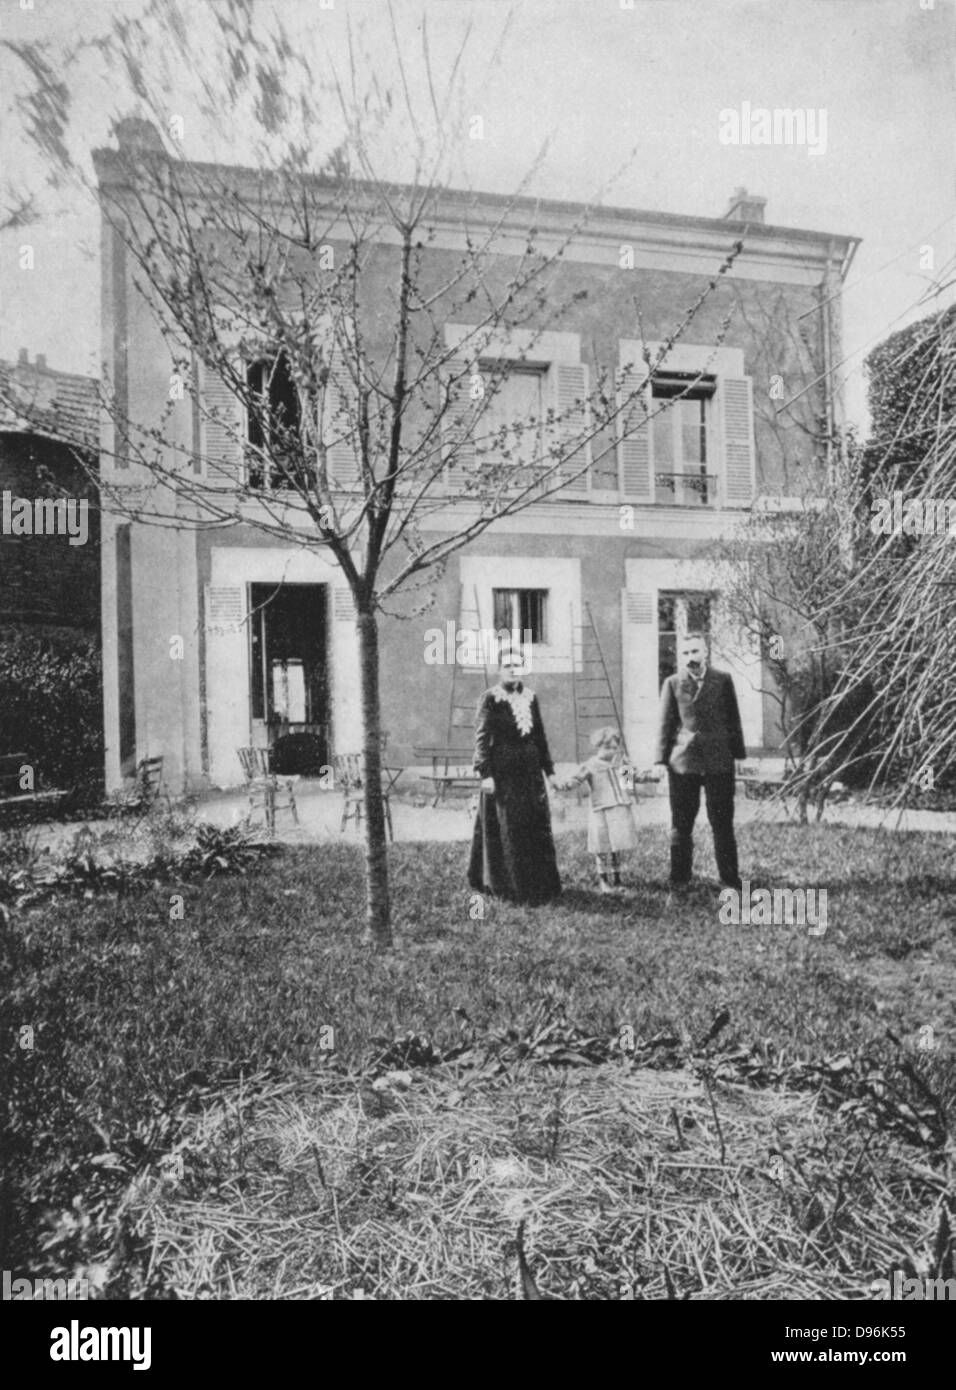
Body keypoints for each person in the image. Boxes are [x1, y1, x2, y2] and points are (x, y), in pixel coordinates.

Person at [467, 643, 562, 905]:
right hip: (504, 772)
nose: (513, 670)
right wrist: (485, 774)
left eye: (517, 665)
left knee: (533, 824)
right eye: (508, 665)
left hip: (530, 772)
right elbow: (482, 738)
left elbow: (539, 736)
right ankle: (508, 886)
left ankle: (539, 885)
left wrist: (550, 772)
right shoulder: (491, 698)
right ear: (499, 670)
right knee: (509, 825)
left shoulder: (531, 697)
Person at [655, 631, 745, 892]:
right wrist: (661, 761)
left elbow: (733, 720)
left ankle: (729, 879)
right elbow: (665, 723)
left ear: (705, 651)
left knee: (722, 822)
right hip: (684, 762)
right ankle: (679, 878)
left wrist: (737, 755)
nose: (691, 658)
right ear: (679, 656)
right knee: (681, 822)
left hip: (719, 760)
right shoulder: (672, 683)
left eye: (695, 651)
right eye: (685, 653)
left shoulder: (723, 680)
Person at [560, 727, 638, 893]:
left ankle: (617, 879)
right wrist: (566, 785)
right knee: (601, 845)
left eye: (614, 748)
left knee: (617, 844)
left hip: (619, 807)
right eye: (607, 747)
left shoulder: (623, 762)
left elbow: (630, 781)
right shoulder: (591, 765)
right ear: (598, 746)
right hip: (600, 809)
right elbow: (577, 778)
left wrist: (647, 776)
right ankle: (604, 881)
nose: (611, 751)